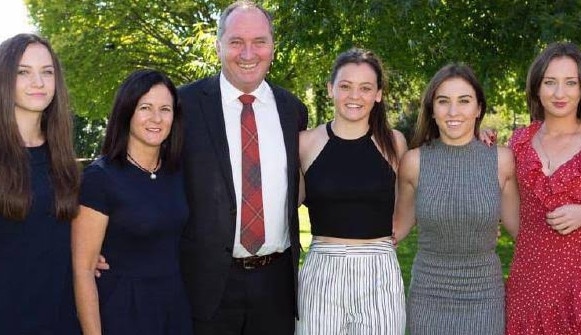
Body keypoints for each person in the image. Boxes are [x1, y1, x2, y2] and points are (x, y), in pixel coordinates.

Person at [177, 1, 308, 334]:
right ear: (219, 45)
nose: (248, 52)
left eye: (259, 41)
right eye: (236, 42)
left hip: (276, 285)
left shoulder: (293, 110)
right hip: (207, 286)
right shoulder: (184, 107)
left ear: (272, 47)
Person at [393, 63, 519, 334]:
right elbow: (397, 229)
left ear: (478, 109)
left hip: (485, 297)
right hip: (428, 296)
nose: (453, 112)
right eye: (443, 101)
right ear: (432, 109)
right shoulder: (414, 162)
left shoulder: (501, 161)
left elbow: (522, 231)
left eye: (464, 101)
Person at [296, 48, 407, 334]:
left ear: (378, 94)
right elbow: (281, 204)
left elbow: (413, 195)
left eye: (365, 88)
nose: (354, 96)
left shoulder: (394, 143)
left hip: (379, 271)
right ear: (331, 89)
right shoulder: (305, 143)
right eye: (345, 86)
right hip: (323, 270)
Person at [72, 69, 192, 334]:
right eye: (145, 108)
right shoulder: (100, 178)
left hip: (174, 309)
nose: (156, 118)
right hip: (123, 311)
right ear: (127, 112)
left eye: (165, 109)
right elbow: (83, 270)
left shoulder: (176, 173)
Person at [504, 42, 581, 334]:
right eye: (550, 82)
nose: (559, 93)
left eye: (570, 83)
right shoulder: (517, 143)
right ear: (536, 86)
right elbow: (510, 210)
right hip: (528, 284)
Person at [0, 33, 81, 334]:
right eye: (24, 72)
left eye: (47, 72)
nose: (39, 82)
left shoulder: (62, 158)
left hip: (61, 319)